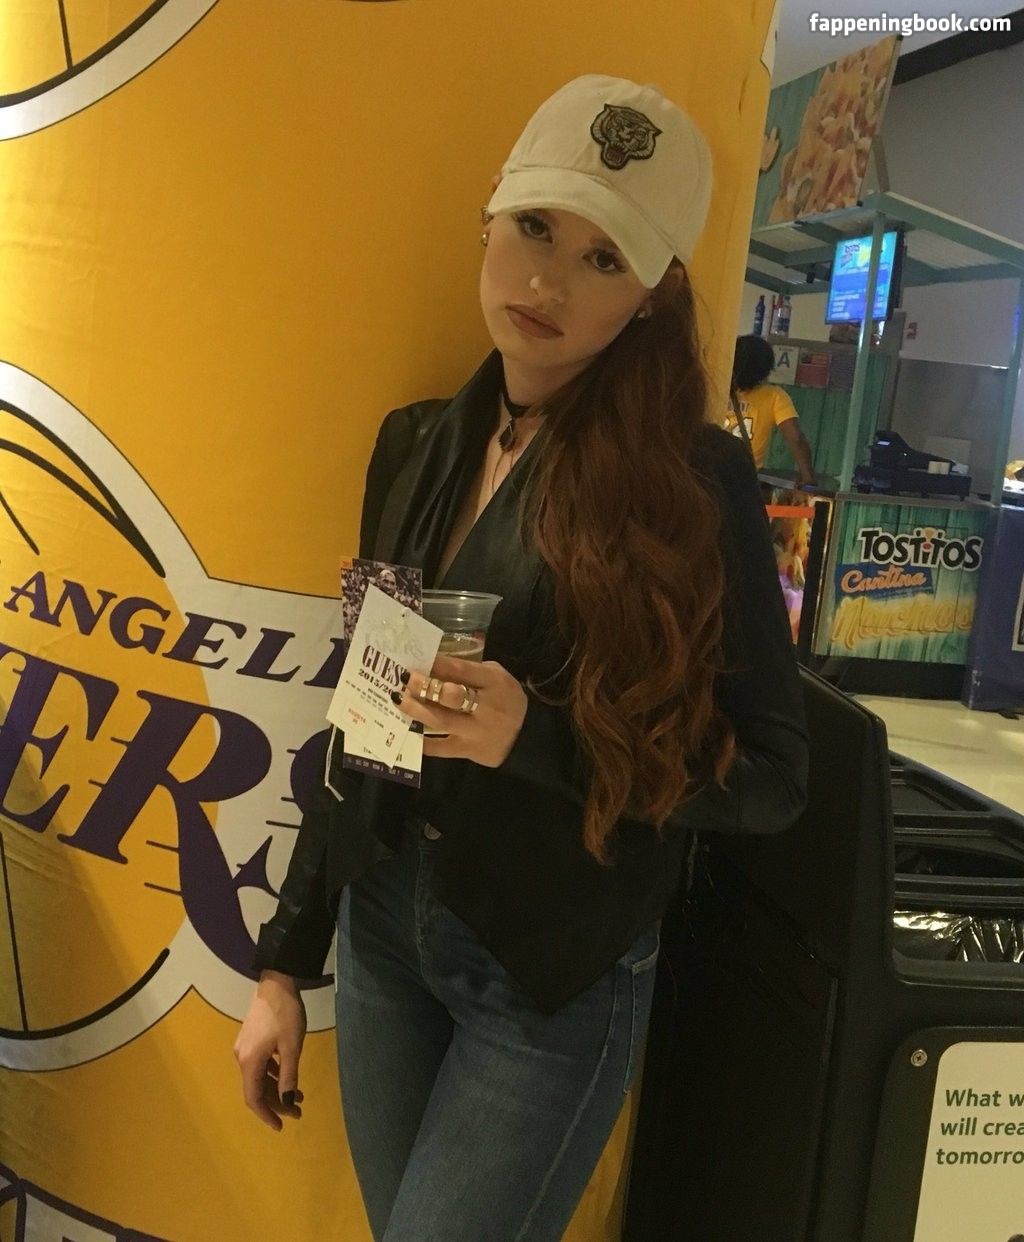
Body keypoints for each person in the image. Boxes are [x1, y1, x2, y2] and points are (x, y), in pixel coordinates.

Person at [233, 74, 808, 1242]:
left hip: (550, 977)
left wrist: (533, 737)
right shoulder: (415, 444)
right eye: (536, 226)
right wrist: (284, 964)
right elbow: (364, 716)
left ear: (650, 296)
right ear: (490, 210)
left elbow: (772, 777)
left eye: (603, 259)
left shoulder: (691, 483)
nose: (548, 282)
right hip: (387, 930)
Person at [725, 333, 817, 485]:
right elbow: (796, 438)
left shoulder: (717, 388)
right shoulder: (775, 396)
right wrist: (808, 477)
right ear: (765, 369)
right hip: (743, 477)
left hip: (708, 472)